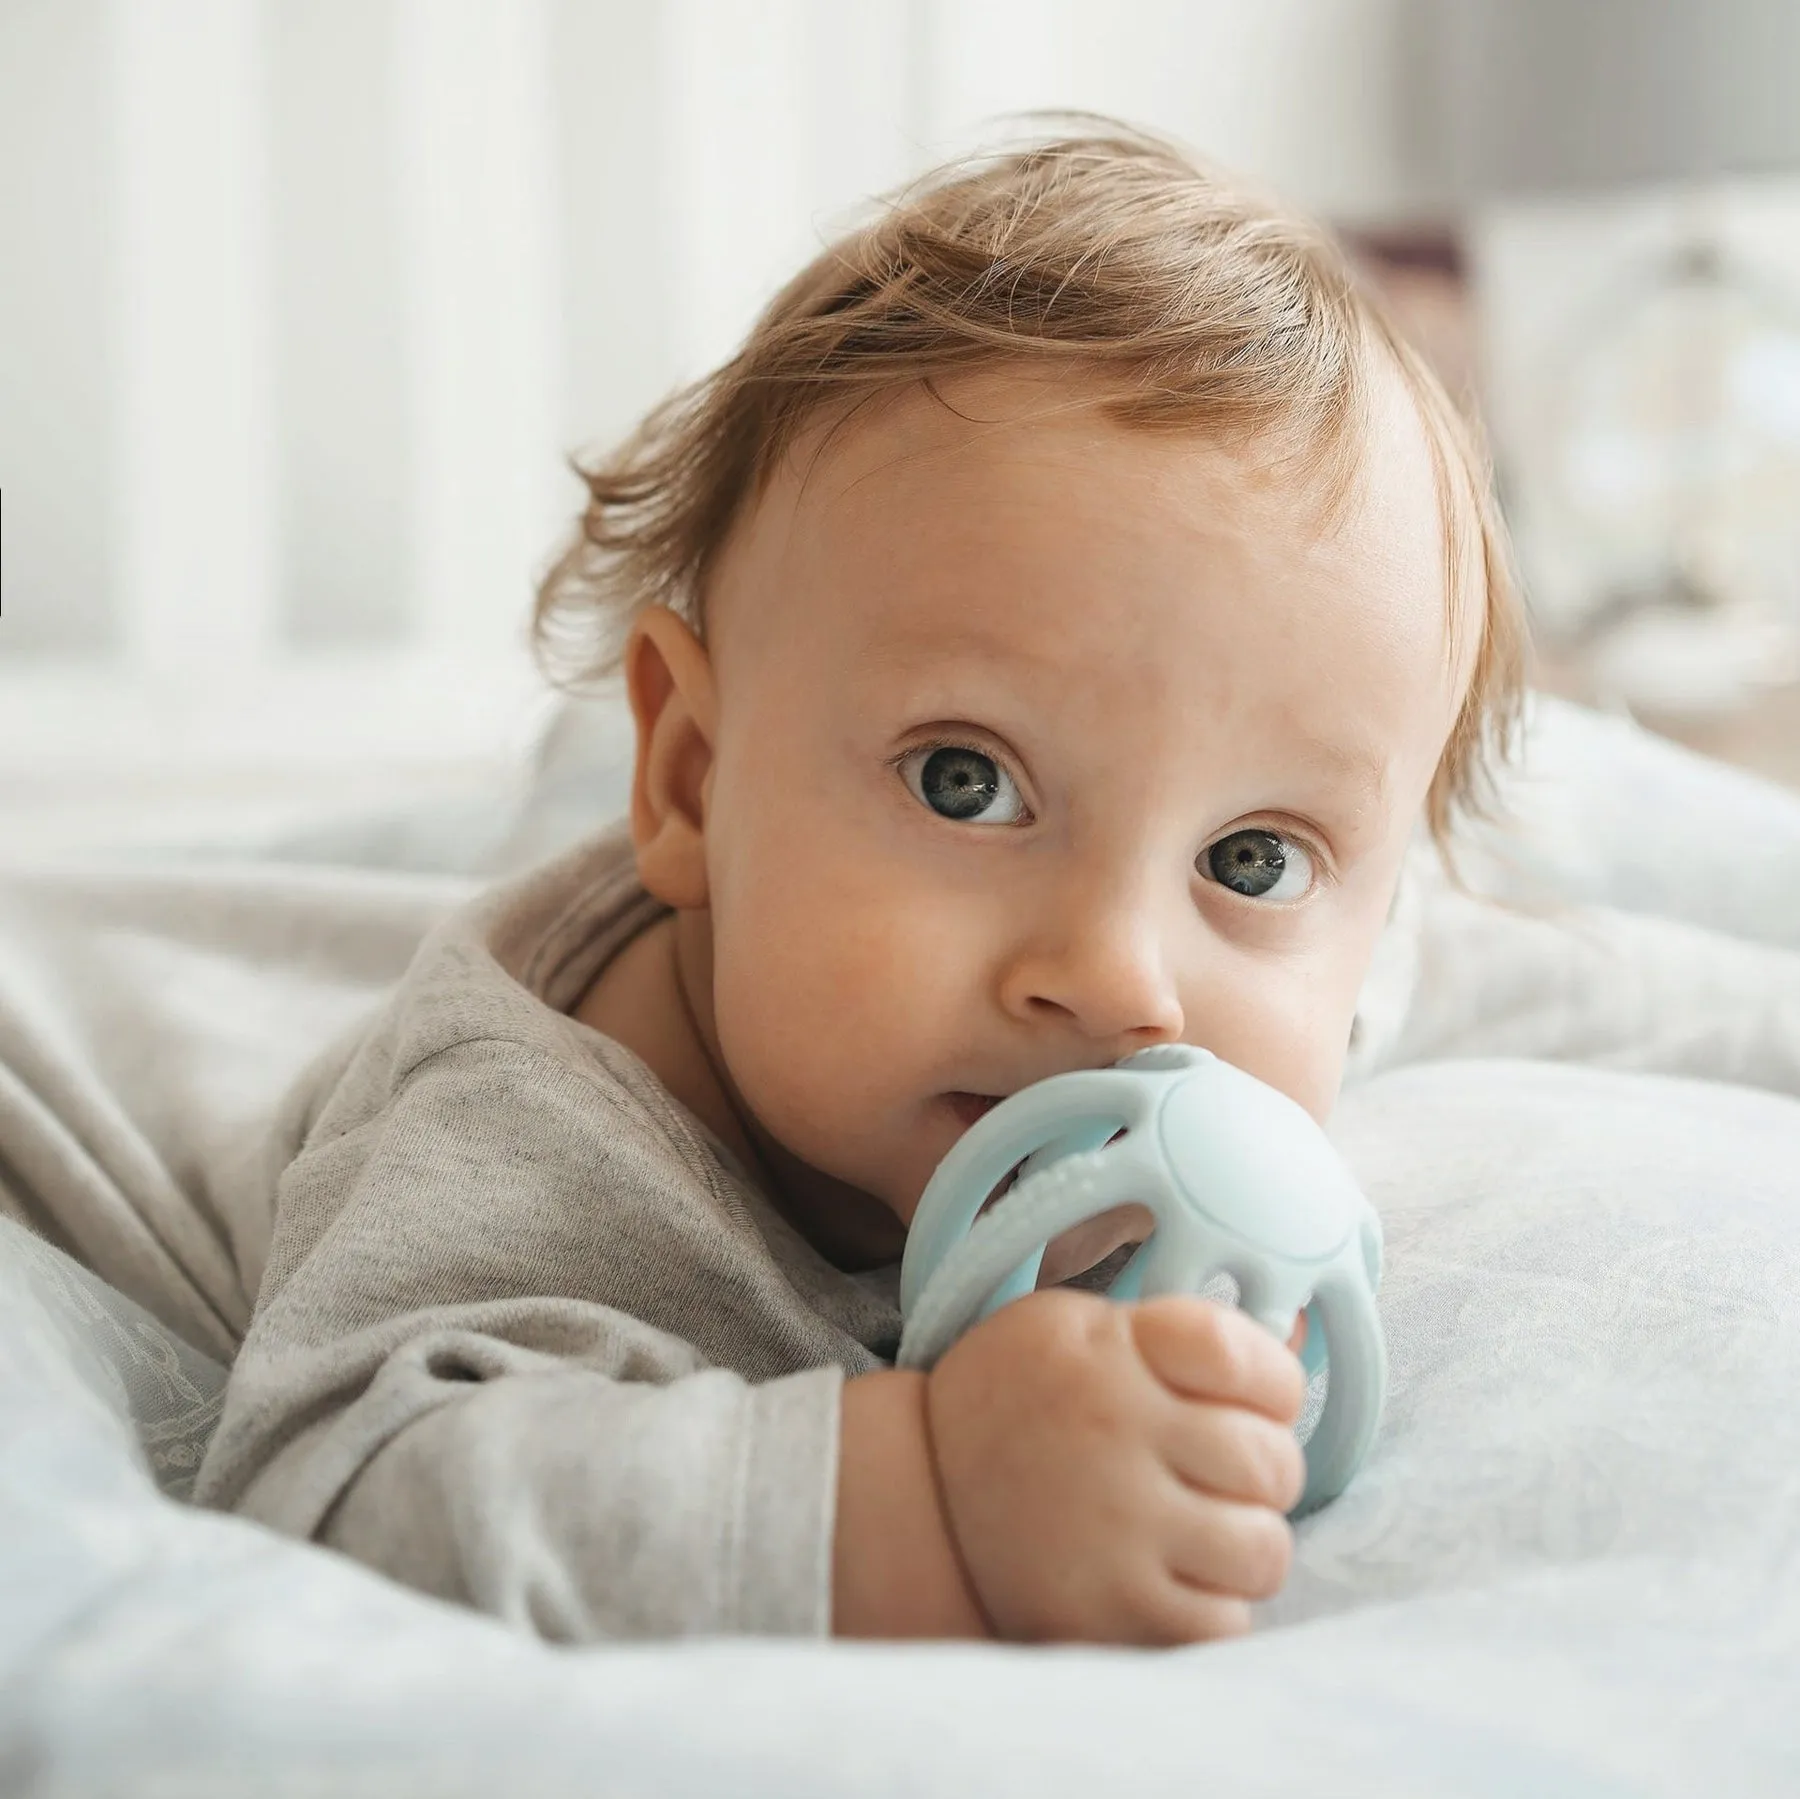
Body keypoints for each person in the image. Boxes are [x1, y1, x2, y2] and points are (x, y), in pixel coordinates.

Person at [194, 125, 1525, 1646]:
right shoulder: (537, 1143)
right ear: (693, 778)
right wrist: (921, 1496)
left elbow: (1504, 964)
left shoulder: (1255, 993)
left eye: (1250, 858)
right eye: (968, 780)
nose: (1116, 971)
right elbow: (332, 1480)